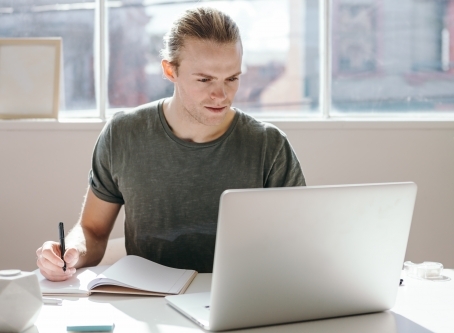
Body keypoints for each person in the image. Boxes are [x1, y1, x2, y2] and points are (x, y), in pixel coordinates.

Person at [36, 7, 306, 281]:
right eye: (204, 79)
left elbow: (301, 241)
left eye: (232, 79)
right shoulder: (123, 135)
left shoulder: (269, 146)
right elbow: (92, 230)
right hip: (148, 301)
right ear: (170, 70)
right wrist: (70, 253)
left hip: (242, 298)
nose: (221, 95)